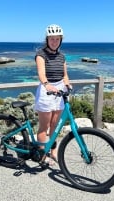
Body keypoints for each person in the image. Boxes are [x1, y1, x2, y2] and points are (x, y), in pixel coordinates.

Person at [34, 24, 71, 165]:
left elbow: (65, 75)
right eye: (52, 39)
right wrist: (47, 84)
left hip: (59, 90)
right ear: (47, 39)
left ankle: (53, 152)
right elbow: (41, 74)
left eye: (57, 39)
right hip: (46, 90)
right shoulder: (40, 54)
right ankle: (42, 155)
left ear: (60, 40)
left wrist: (68, 85)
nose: (54, 41)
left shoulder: (62, 56)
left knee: (55, 126)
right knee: (44, 126)